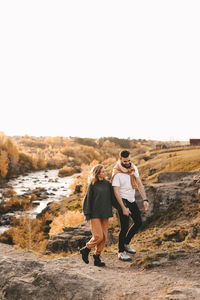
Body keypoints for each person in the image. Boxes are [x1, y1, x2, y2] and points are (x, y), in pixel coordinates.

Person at [111, 150, 149, 261]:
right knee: (124, 227)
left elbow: (140, 184)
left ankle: (126, 243)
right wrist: (123, 207)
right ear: (120, 160)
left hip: (131, 199)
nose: (127, 163)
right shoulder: (117, 173)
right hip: (122, 200)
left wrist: (145, 199)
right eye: (125, 161)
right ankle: (120, 251)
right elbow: (116, 192)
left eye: (129, 160)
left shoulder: (133, 168)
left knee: (138, 222)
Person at [80, 164, 113, 267]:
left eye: (105, 171)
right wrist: (87, 214)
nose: (105, 173)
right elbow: (87, 200)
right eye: (103, 171)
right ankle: (86, 249)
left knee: (104, 238)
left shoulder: (108, 184)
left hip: (105, 213)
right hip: (94, 214)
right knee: (98, 236)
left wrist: (123, 208)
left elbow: (113, 198)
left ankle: (97, 257)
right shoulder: (92, 184)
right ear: (97, 173)